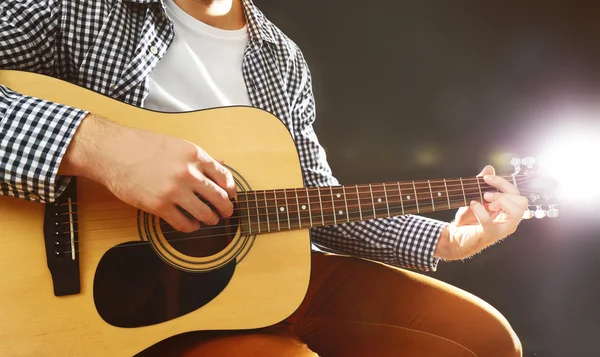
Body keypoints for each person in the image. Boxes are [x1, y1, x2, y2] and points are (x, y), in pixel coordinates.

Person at [0, 0, 528, 356]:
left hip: (268, 277)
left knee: (484, 342)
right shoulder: (72, 8)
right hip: (113, 304)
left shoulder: (283, 61)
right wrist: (100, 148)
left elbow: (315, 202)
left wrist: (453, 237)